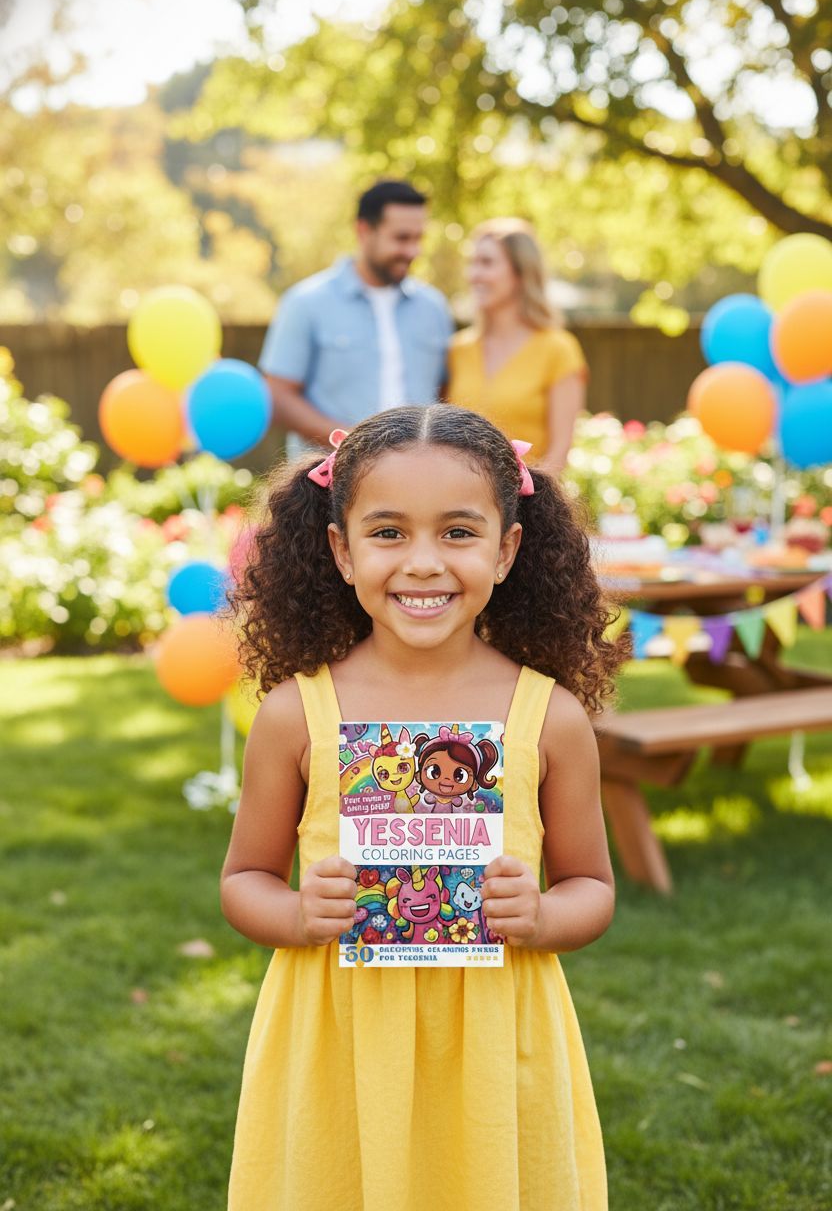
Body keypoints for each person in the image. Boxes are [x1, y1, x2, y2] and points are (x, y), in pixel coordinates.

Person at [222, 403, 625, 1211]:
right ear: (341, 550)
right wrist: (299, 913)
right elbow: (243, 881)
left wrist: (543, 917)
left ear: (507, 550)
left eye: (458, 532)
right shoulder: (296, 715)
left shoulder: (549, 718)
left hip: (494, 1045)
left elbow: (593, 887)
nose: (423, 563)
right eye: (389, 533)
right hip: (340, 1042)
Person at [259, 179, 454, 457]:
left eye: (418, 239)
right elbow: (277, 396)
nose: (412, 251)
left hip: (418, 484)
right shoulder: (305, 303)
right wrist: (353, 445)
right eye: (401, 238)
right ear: (364, 231)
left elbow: (446, 393)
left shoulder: (434, 308)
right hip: (328, 484)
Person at [447, 217, 589, 475]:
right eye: (472, 263)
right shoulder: (458, 349)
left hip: (529, 504)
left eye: (486, 263)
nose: (473, 275)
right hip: (461, 505)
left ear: (521, 272)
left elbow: (559, 454)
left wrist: (529, 507)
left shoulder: (558, 349)